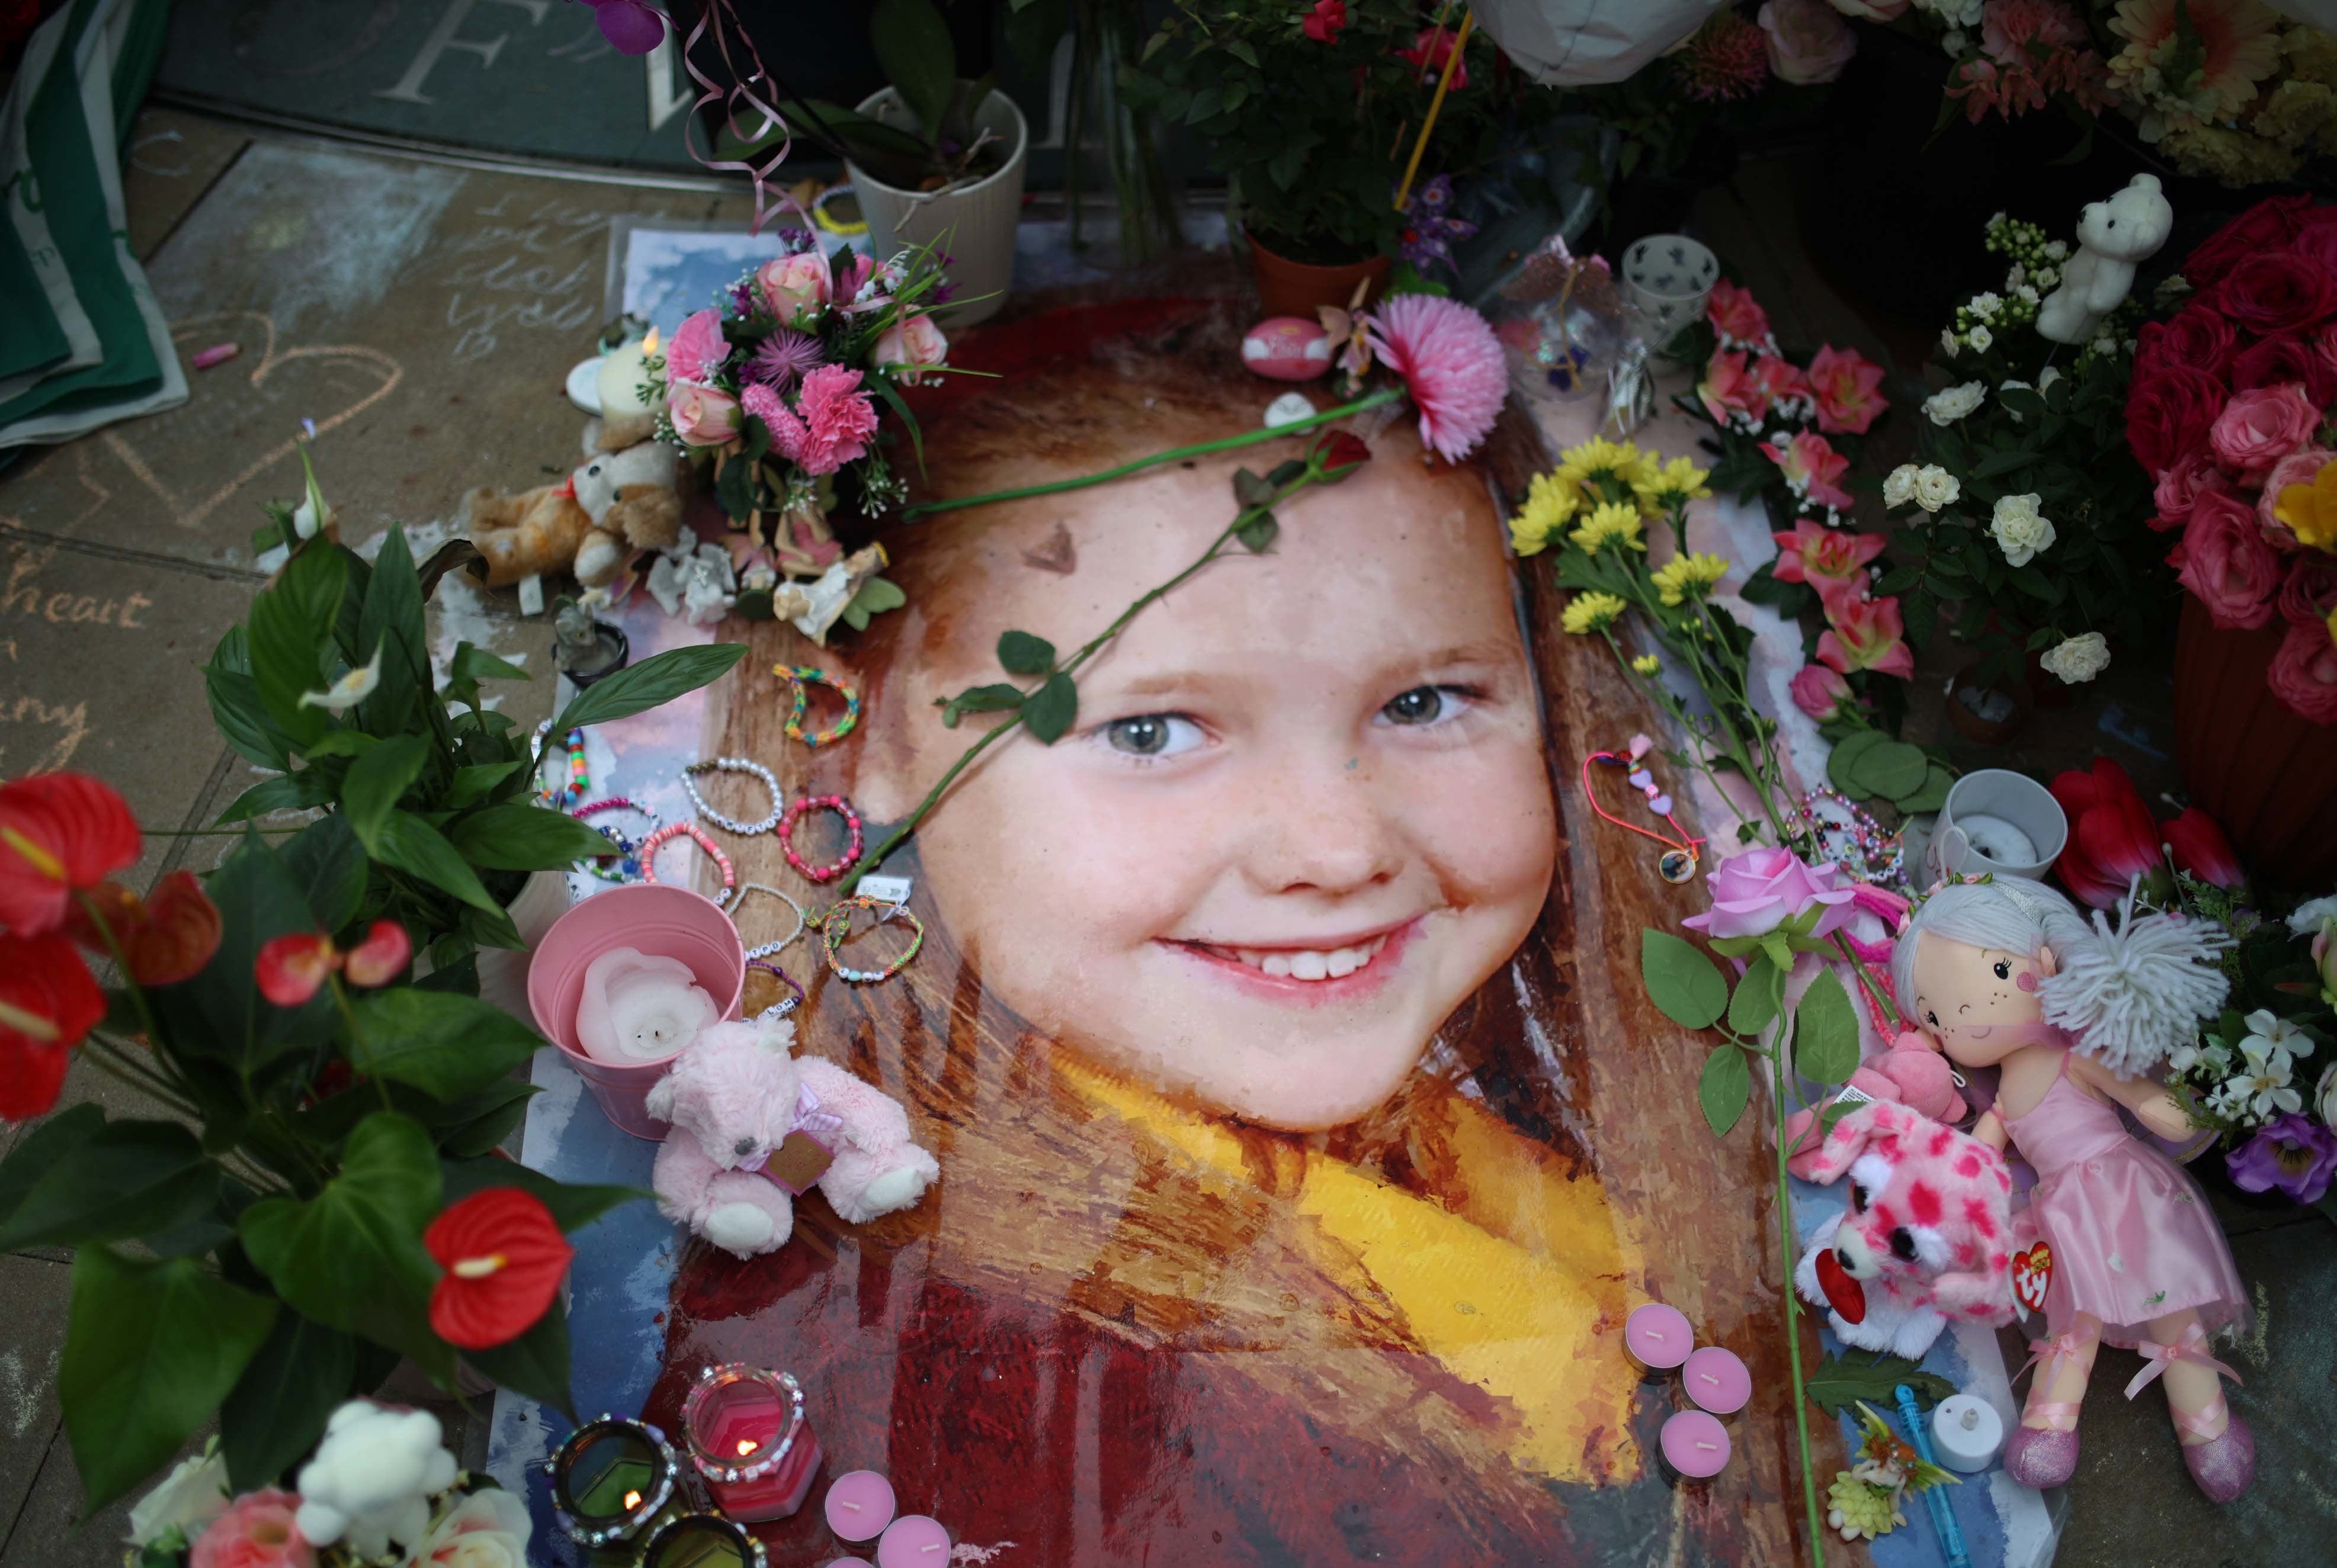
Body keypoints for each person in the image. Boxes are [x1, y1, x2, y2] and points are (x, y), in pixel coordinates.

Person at [652, 303, 1723, 1563]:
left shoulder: (1535, 1100)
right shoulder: (1011, 1407)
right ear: (868, 728)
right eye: (1152, 731)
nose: (1335, 850)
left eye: (1425, 701)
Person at [1893, 876, 2253, 1502]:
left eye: (1999, 969)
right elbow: (1979, 1154)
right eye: (1935, 1014)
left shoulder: (2075, 1054)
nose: (1965, 1016)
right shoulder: (2001, 1097)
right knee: (2073, 1312)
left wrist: (2193, 1108)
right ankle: (2050, 1423)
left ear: (2048, 960)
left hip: (2122, 1185)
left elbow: (2147, 1102)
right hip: (2063, 1210)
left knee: (2170, 1301)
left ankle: (2208, 1427)